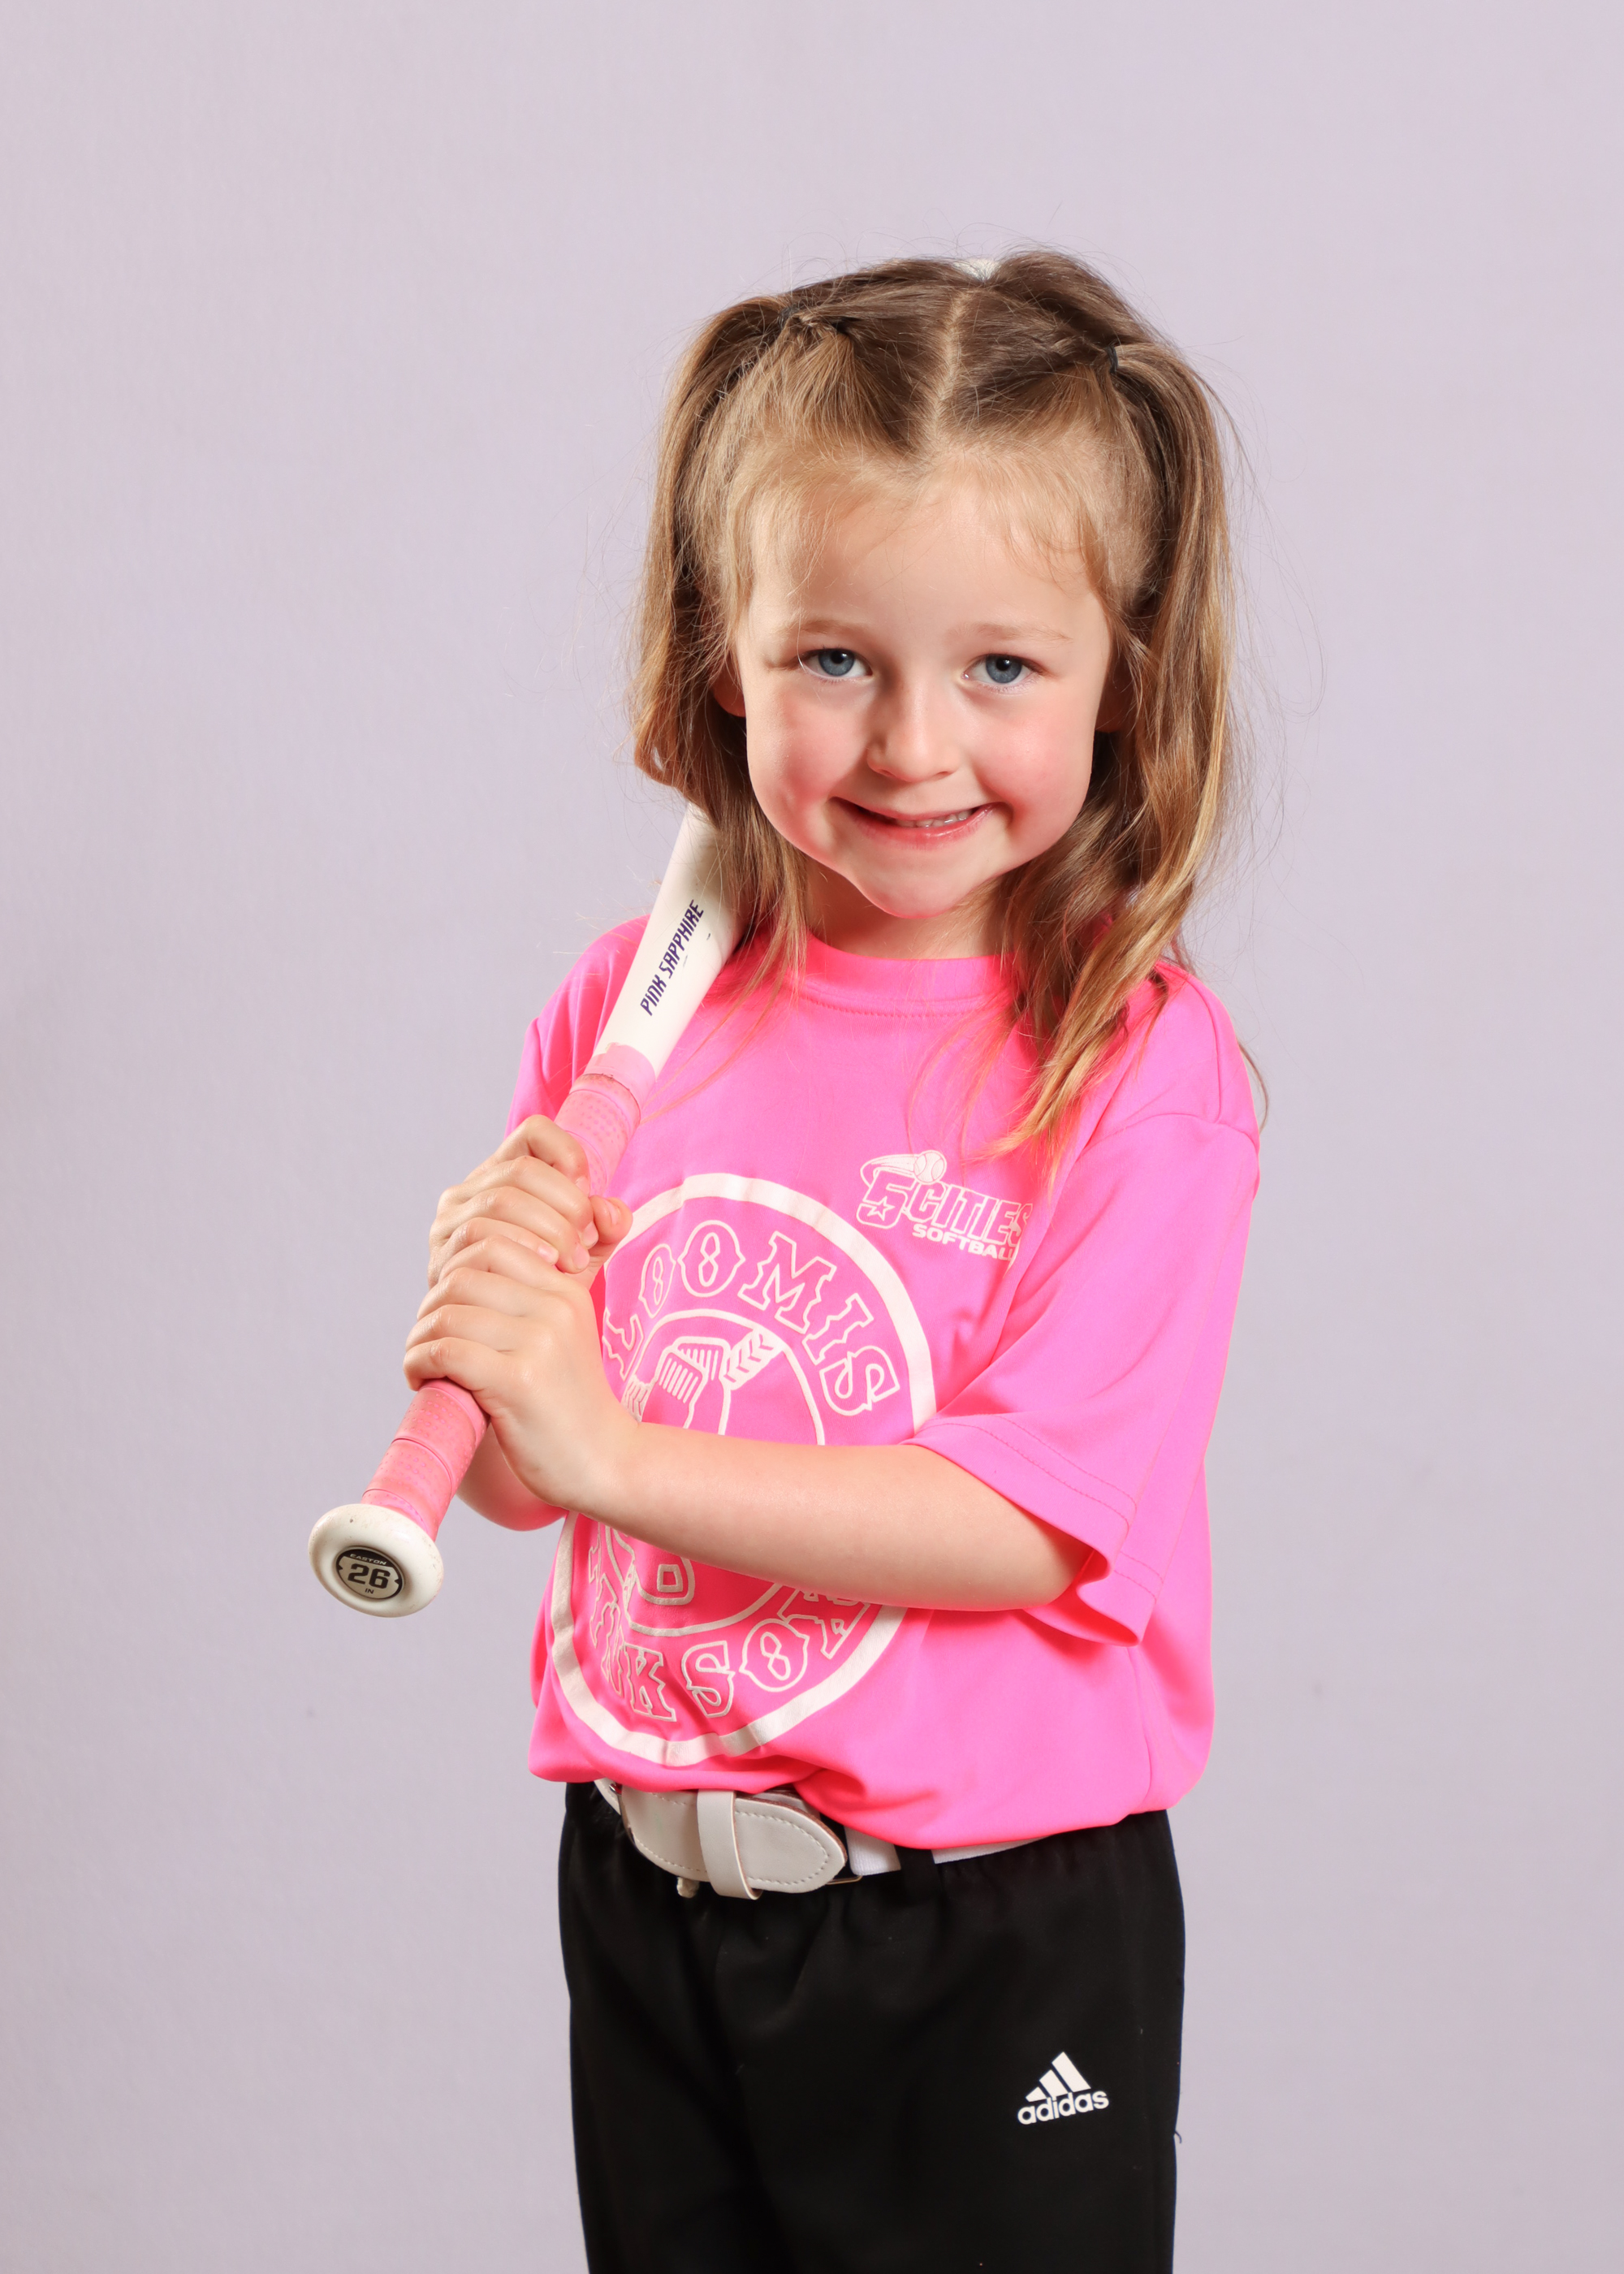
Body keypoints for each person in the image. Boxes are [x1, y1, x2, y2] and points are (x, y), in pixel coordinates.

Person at [402, 251, 1259, 2272]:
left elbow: (1025, 1522)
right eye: (836, 658)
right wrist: (494, 1342)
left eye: (1002, 665)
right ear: (726, 652)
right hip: (650, 1891)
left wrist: (605, 1447)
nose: (911, 743)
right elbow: (526, 1476)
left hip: (982, 1923)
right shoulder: (631, 1001)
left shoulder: (1134, 1065)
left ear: (1122, 671)